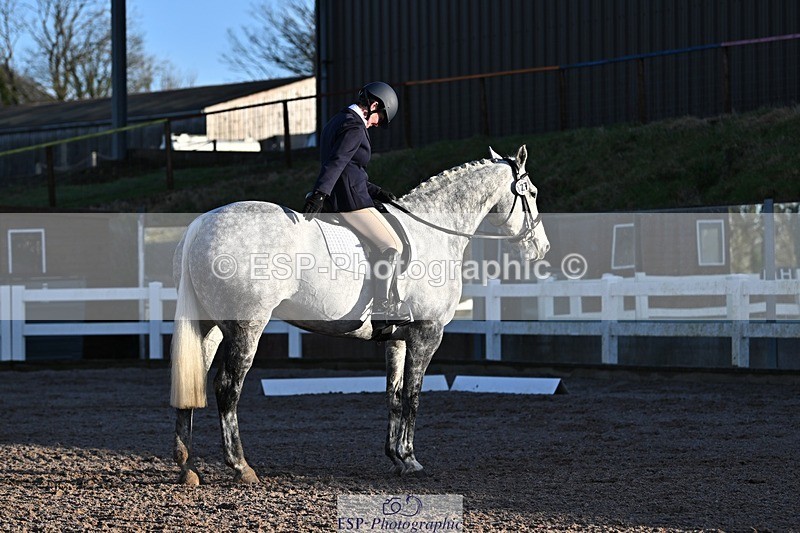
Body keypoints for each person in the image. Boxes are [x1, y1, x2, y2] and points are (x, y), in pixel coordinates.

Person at [303, 81, 412, 332]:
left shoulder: (337, 121)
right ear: (374, 105)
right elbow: (338, 162)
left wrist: (377, 191)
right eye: (379, 118)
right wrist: (320, 193)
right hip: (350, 202)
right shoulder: (354, 126)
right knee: (391, 245)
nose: (376, 124)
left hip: (348, 193)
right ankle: (383, 310)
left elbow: (350, 170)